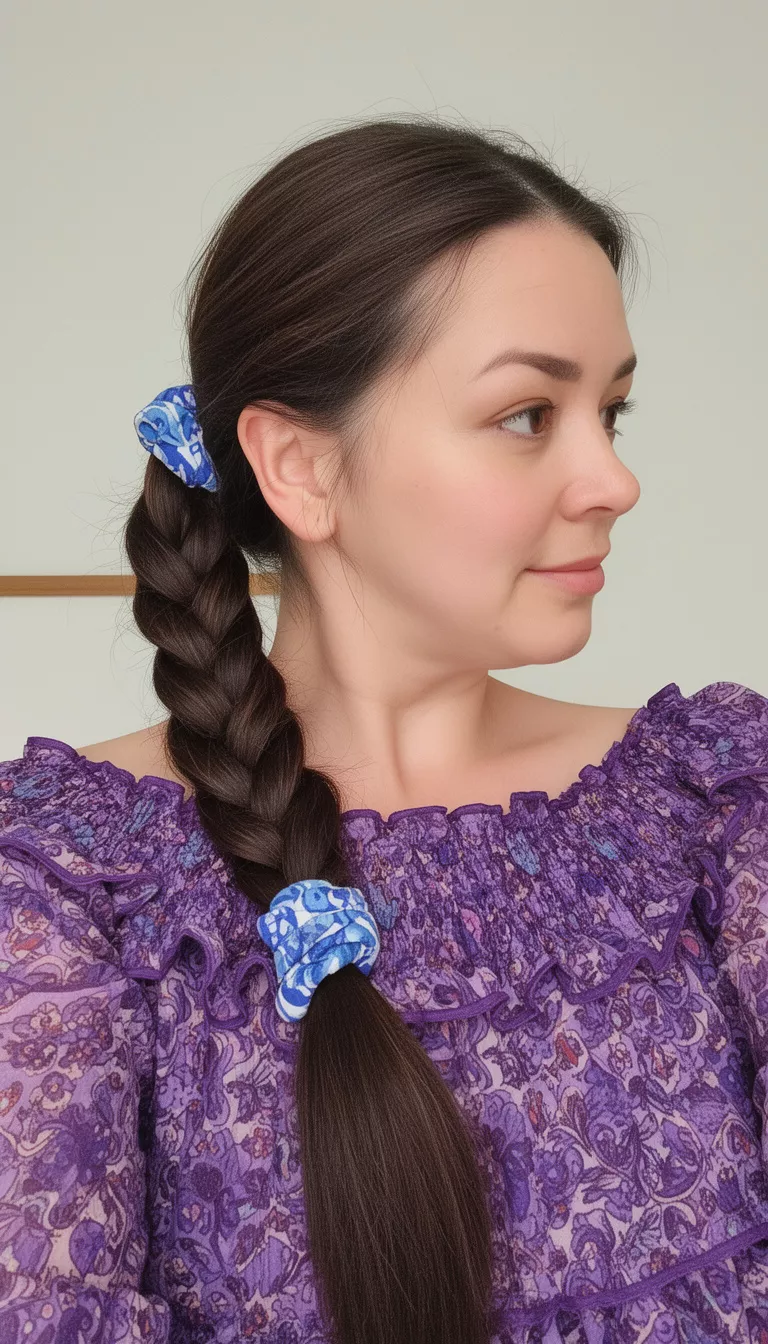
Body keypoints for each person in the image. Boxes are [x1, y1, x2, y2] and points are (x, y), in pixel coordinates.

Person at [1, 114, 767, 1344]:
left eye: (611, 415)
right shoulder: (64, 883)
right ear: (298, 466)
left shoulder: (720, 803)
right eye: (529, 415)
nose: (612, 479)